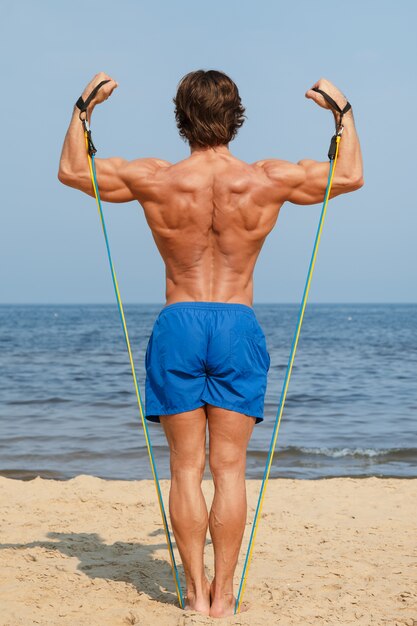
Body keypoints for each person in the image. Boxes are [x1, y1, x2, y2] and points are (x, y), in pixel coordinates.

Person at [58, 69, 364, 617]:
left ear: (181, 118)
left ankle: (194, 593)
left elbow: (72, 170)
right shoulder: (266, 178)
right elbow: (350, 176)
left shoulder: (157, 177)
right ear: (236, 117)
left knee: (184, 469)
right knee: (228, 470)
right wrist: (342, 112)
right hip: (236, 323)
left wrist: (84, 108)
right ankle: (224, 596)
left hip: (179, 321)